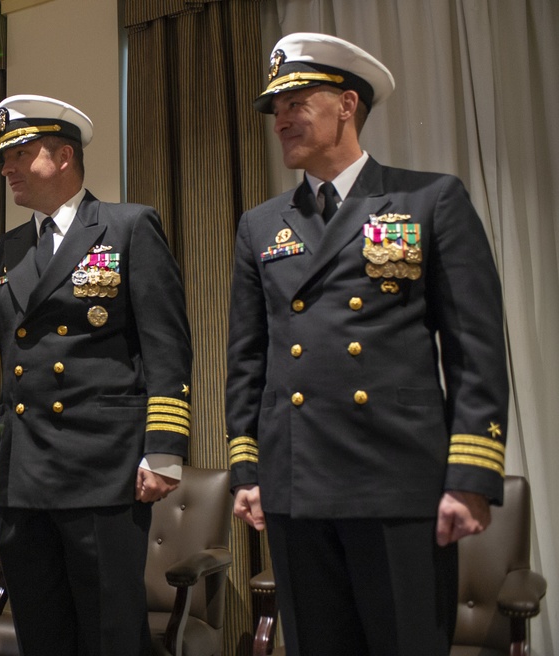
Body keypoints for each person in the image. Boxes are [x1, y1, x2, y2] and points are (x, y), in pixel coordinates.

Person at [226, 32, 509, 655]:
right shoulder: (261, 224)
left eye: (297, 102)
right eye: (276, 108)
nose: (283, 120)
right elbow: (248, 357)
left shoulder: (427, 200)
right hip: (297, 482)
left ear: (347, 104)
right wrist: (247, 469)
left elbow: (476, 348)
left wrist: (470, 474)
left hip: (394, 481)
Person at [0, 94, 192, 655]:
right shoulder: (5, 250)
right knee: (43, 630)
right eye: (2, 158)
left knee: (110, 634)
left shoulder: (127, 227)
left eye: (18, 154)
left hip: (103, 469)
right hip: (25, 473)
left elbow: (167, 344)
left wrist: (166, 449)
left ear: (63, 157)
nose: (5, 169)